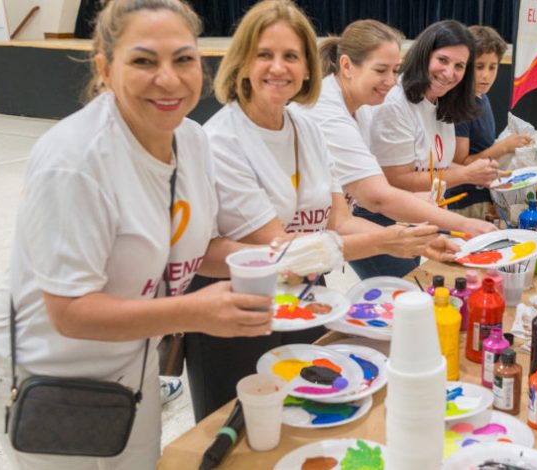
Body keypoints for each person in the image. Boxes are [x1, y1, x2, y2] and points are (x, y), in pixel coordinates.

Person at [0, 0, 272, 467]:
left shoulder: (192, 140)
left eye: (183, 59)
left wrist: (270, 259)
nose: (169, 79)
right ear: (105, 69)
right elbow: (70, 312)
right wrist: (195, 311)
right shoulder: (75, 162)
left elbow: (196, 249)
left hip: (132, 362)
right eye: (143, 61)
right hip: (53, 373)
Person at [184, 0, 453, 421]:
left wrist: (412, 236)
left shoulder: (305, 126)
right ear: (241, 62)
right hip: (235, 314)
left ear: (309, 66)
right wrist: (387, 240)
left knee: (311, 422)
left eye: (291, 56)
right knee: (241, 439)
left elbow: (340, 220)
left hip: (305, 300)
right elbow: (278, 246)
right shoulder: (222, 139)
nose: (279, 67)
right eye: (264, 55)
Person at [301, 20, 496, 239]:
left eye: (395, 70)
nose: (391, 81)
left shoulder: (362, 108)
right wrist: (463, 222)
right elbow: (378, 194)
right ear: (346, 66)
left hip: (318, 237)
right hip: (292, 243)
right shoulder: (332, 113)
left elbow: (341, 218)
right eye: (381, 70)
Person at [356, 19, 499, 279]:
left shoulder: (440, 103)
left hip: (414, 215)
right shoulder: (395, 103)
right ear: (424, 55)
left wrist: (475, 171)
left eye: (459, 66)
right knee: (406, 291)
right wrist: (466, 175)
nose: (449, 72)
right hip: (377, 217)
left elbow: (433, 164)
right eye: (442, 60)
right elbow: (396, 179)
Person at [445, 25, 534, 219]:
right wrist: (503, 147)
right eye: (479, 66)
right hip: (465, 202)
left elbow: (481, 149)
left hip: (484, 194)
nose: (486, 75)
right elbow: (460, 164)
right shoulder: (459, 105)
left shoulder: (482, 97)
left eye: (492, 67)